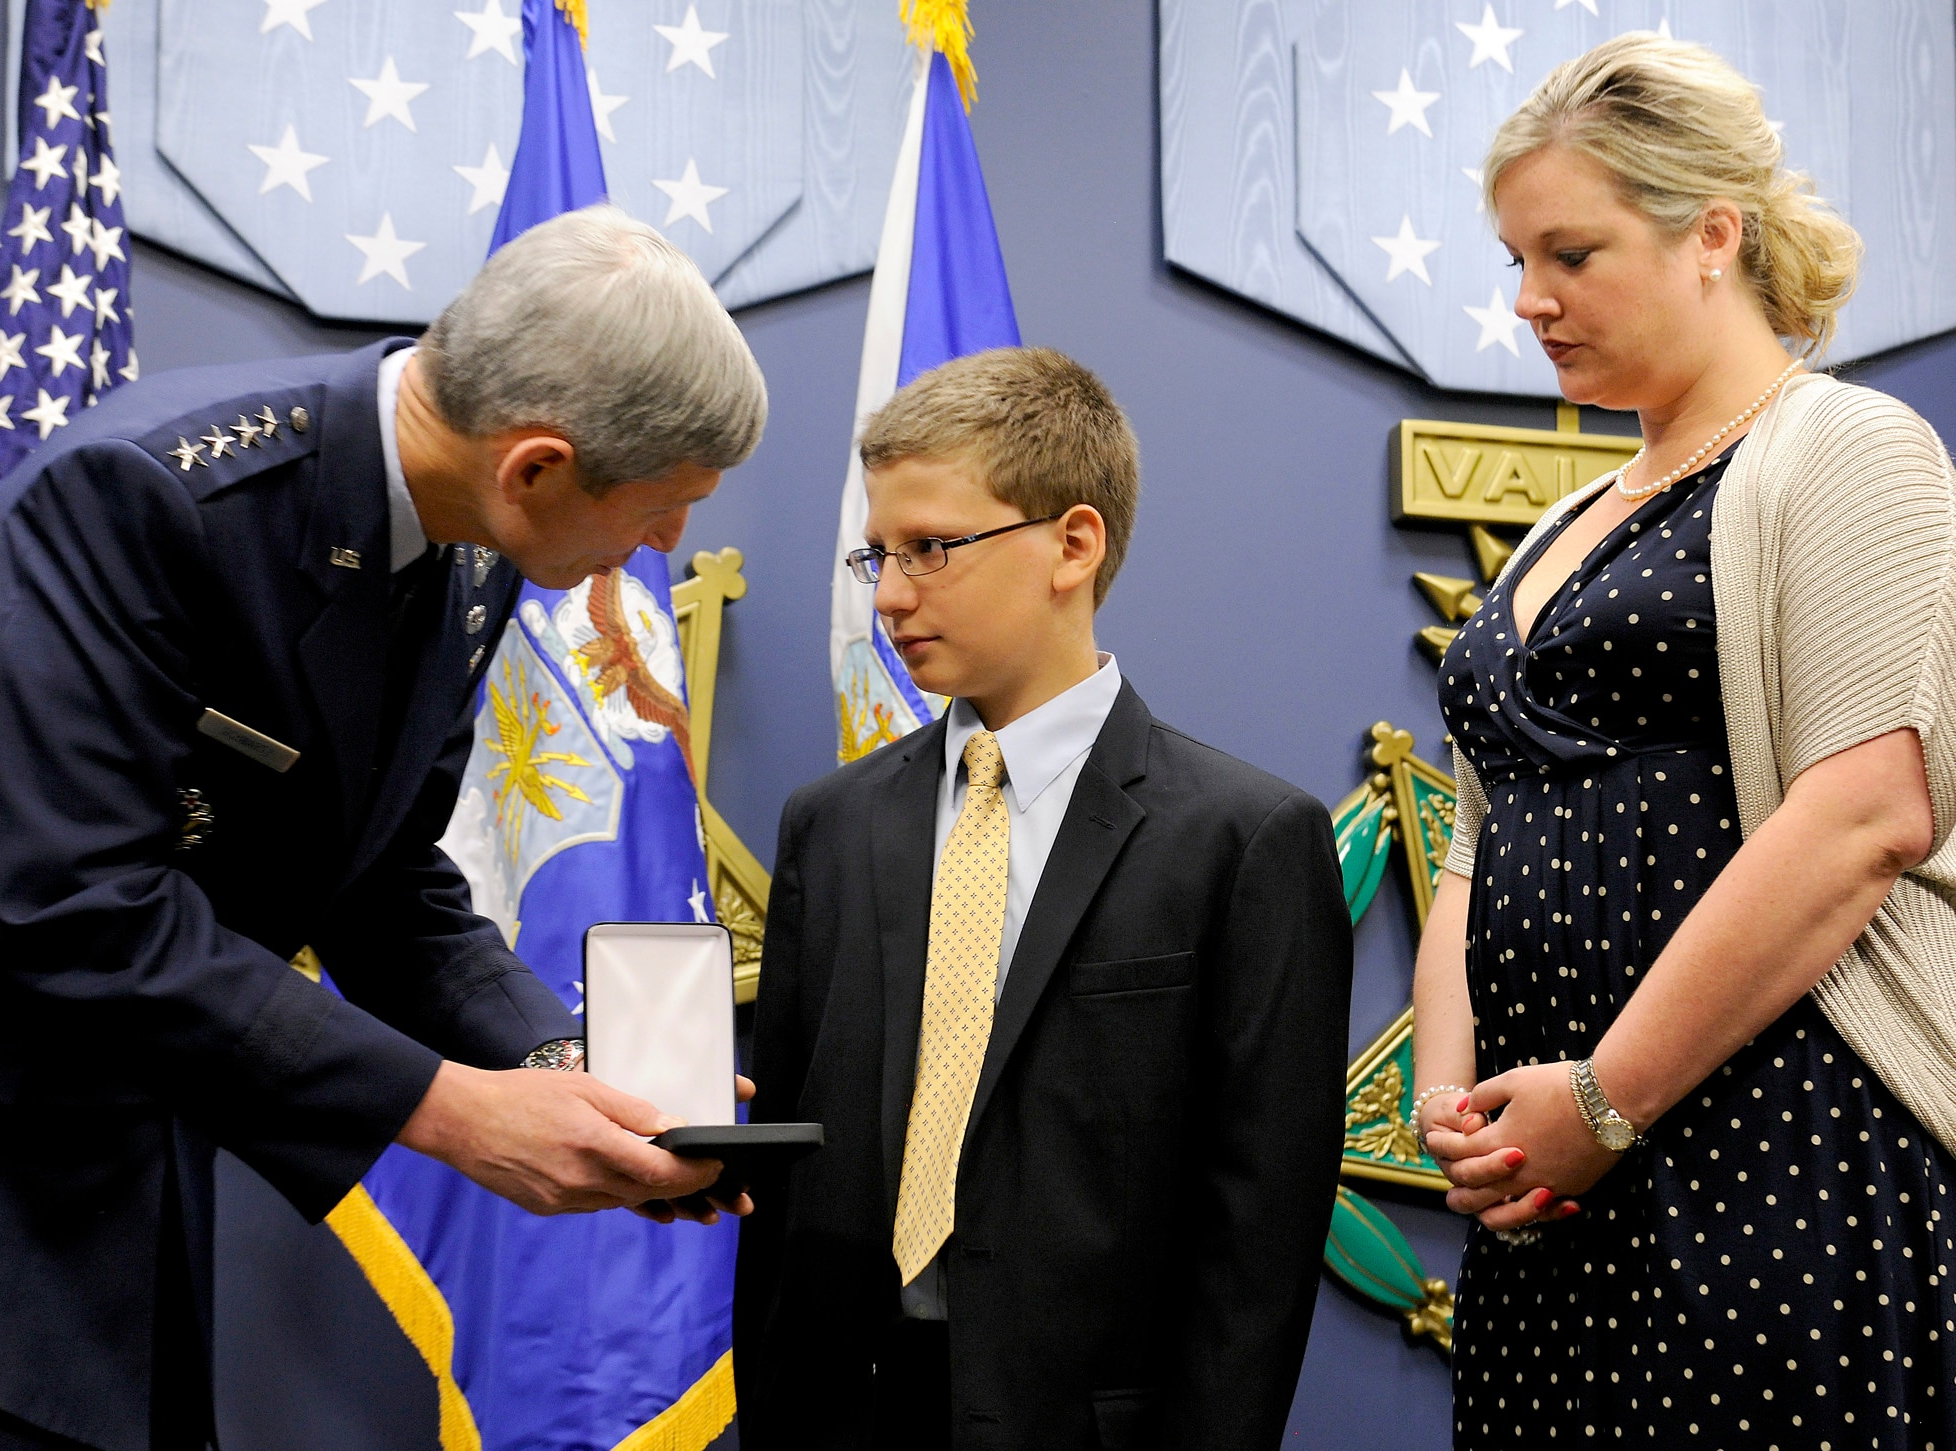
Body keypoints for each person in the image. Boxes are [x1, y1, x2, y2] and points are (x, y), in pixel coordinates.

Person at [0, 205, 767, 1451]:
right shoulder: (146, 497)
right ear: (537, 466)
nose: (667, 545)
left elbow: (377, 873)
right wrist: (449, 1110)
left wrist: (556, 1071)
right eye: (666, 508)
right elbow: (81, 906)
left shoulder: (473, 544)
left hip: (139, 1170)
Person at [1410, 32, 1956, 1445]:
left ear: (1713, 232)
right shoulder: (1555, 523)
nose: (1531, 299)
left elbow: (1865, 813)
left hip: (1778, 1152)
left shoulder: (1847, 447)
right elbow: (1476, 826)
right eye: (1515, 258)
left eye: (1571, 254)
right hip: (1550, 1193)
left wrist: (1605, 1094)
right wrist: (1453, 1092)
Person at [733, 346, 1353, 1449]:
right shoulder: (828, 824)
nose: (887, 593)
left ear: (1072, 542)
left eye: (930, 547)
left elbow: (1256, 1232)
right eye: (873, 553)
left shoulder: (1241, 838)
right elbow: (785, 1185)